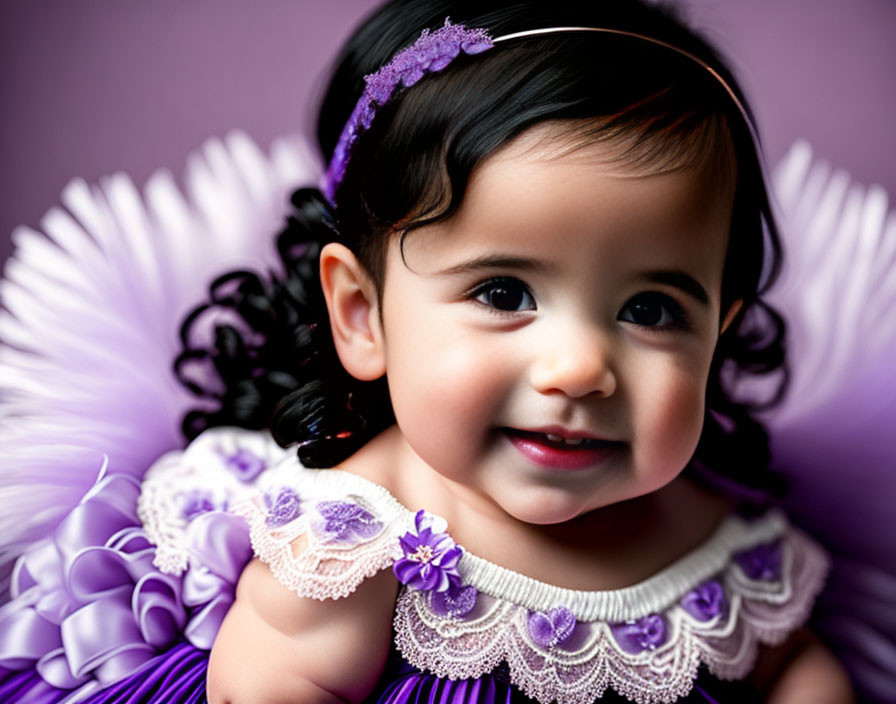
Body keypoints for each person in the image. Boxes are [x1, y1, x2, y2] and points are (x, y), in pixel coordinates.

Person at [0, 0, 860, 702]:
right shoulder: (363, 536)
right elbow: (273, 685)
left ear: (719, 333)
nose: (580, 369)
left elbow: (791, 664)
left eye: (650, 308)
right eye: (503, 294)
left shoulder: (716, 543)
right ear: (363, 315)